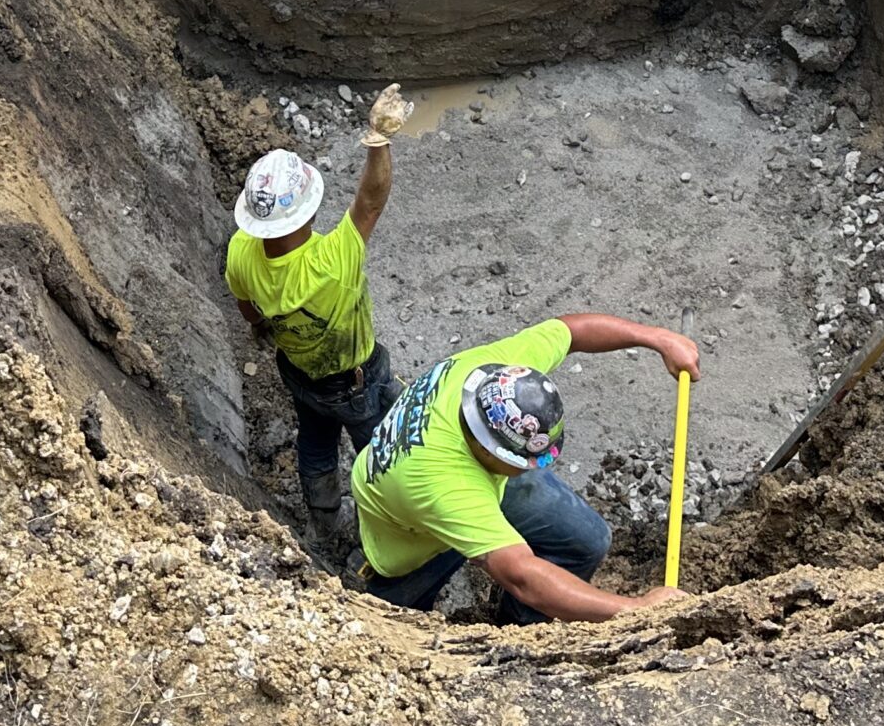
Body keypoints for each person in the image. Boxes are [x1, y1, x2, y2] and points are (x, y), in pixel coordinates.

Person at [350, 310, 699, 623]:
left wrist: (658, 338)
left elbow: (571, 330)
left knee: (586, 540)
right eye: (522, 461)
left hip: (466, 479)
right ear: (490, 450)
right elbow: (522, 577)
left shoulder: (500, 376)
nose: (531, 468)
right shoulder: (445, 485)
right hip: (409, 537)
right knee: (399, 627)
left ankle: (519, 632)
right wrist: (637, 609)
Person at [226, 85, 407, 519]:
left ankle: (324, 515)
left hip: (299, 373)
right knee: (384, 450)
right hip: (355, 381)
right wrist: (378, 139)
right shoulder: (332, 262)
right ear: (307, 211)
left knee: (315, 436)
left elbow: (249, 311)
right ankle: (393, 515)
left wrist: (266, 327)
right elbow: (370, 201)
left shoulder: (240, 252)